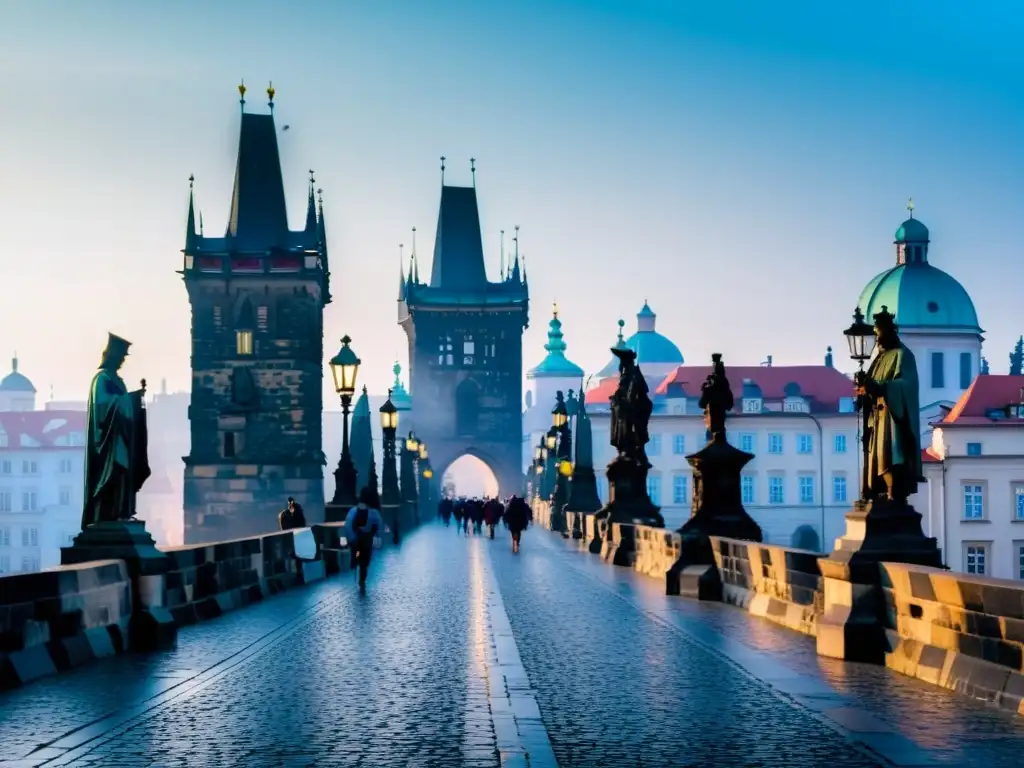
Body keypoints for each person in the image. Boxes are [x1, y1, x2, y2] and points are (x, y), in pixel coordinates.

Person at [853, 306, 923, 504]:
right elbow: (871, 387)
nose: (877, 340)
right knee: (877, 457)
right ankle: (877, 491)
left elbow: (907, 384)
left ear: (890, 332)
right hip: (878, 417)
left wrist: (882, 387)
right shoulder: (880, 358)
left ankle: (894, 491)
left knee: (891, 454)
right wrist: (863, 388)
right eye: (875, 336)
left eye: (879, 335)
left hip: (893, 418)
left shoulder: (903, 355)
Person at [344, 486, 384, 590]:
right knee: (365, 562)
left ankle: (354, 563)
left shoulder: (353, 510)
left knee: (358, 555)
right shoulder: (374, 513)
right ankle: (362, 579)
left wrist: (352, 539)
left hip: (356, 539)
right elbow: (379, 528)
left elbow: (348, 525)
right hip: (367, 541)